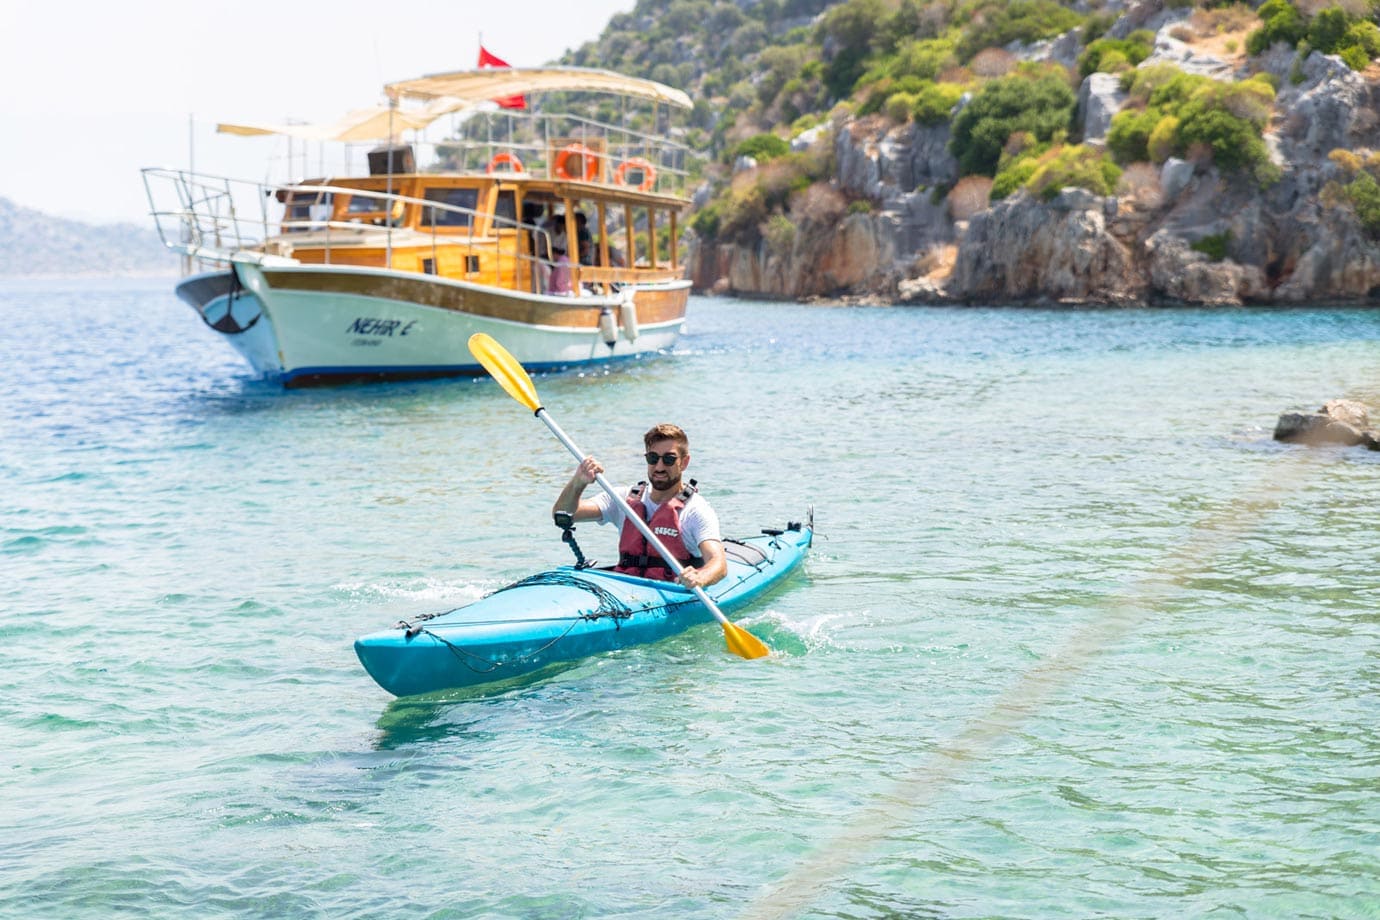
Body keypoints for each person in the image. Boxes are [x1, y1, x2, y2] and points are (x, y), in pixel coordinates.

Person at [553, 423, 726, 589]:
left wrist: (700, 577)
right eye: (652, 458)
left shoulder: (696, 510)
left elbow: (718, 563)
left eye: (669, 459)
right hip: (626, 588)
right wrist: (578, 482)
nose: (659, 466)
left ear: (684, 462)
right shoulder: (622, 499)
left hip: (672, 590)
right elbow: (564, 513)